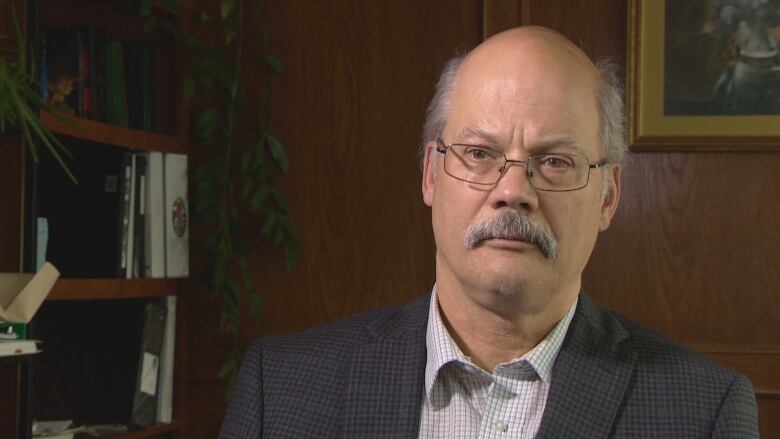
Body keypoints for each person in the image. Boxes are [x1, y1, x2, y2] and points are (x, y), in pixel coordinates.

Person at [219, 26, 759, 438]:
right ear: (431, 174)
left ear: (609, 196)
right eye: (479, 154)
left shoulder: (703, 412)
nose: (513, 190)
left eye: (554, 161)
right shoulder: (283, 389)